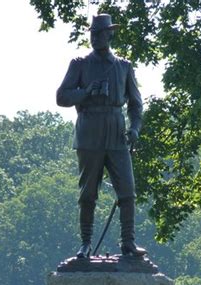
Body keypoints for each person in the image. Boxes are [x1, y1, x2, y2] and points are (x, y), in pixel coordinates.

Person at [57, 14, 147, 258]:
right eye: (93, 33)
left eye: (100, 33)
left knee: (127, 191)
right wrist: (86, 92)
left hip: (116, 132)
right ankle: (85, 243)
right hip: (89, 131)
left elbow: (136, 105)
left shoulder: (124, 66)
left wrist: (135, 129)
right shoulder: (80, 64)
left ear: (110, 34)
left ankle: (128, 241)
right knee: (88, 193)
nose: (95, 38)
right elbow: (61, 97)